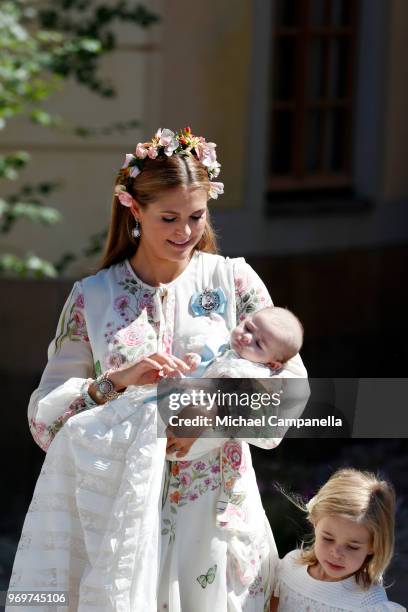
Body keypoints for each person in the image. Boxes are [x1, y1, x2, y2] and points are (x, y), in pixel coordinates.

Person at [8, 127, 308, 612]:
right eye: (169, 217)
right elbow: (45, 419)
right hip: (118, 528)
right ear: (133, 208)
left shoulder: (233, 282)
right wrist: (118, 381)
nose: (185, 233)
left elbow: (291, 393)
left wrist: (207, 422)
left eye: (196, 216)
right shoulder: (93, 298)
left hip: (215, 524)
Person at [270, 468, 406, 611]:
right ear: (315, 523)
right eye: (328, 539)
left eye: (352, 547)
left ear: (373, 545)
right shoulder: (290, 567)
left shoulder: (368, 602)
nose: (336, 553)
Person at [181, 306, 304, 378]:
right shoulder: (222, 341)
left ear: (272, 364)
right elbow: (207, 360)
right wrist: (197, 359)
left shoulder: (255, 374)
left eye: (258, 344)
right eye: (248, 328)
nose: (247, 337)